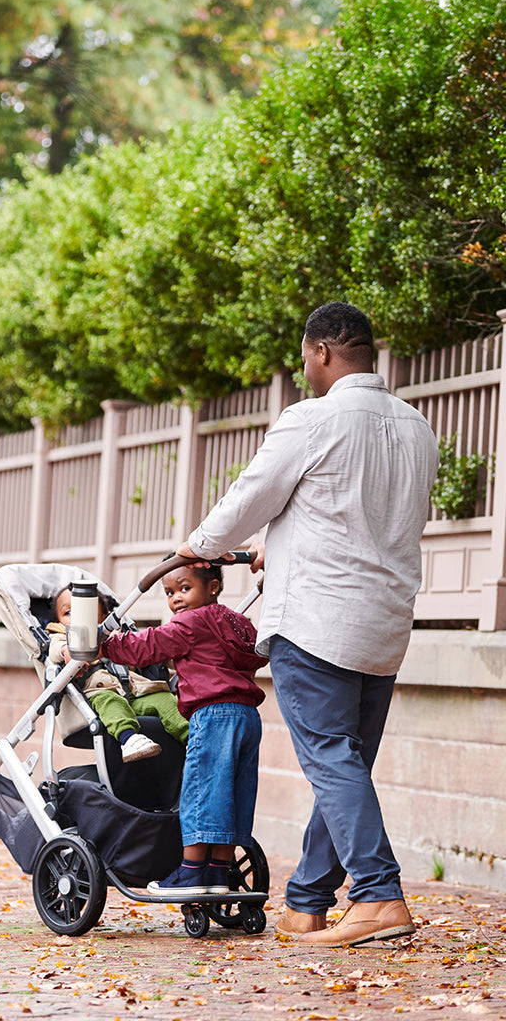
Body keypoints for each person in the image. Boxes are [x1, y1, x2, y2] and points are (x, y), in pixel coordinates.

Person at [177, 300, 438, 946]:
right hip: (382, 627)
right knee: (343, 764)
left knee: (331, 761)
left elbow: (250, 498)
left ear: (321, 351)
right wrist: (284, 542)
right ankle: (307, 903)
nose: (304, 369)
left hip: (318, 621)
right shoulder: (416, 427)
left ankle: (378, 896)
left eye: (304, 358)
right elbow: (365, 518)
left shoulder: (312, 419)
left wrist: (196, 546)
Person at [93, 561, 267, 897]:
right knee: (233, 795)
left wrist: (106, 645)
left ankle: (191, 872)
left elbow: (149, 645)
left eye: (184, 588)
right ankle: (217, 872)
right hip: (247, 717)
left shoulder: (191, 622)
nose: (176, 599)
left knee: (201, 792)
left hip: (213, 715)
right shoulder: (238, 623)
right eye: (170, 592)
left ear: (213, 586)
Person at [47, 584, 189, 762]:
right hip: (100, 692)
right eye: (68, 613)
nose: (77, 617)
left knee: (165, 700)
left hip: (136, 692)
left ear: (103, 618)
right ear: (58, 620)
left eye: (86, 610)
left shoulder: (115, 634)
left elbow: (138, 653)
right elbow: (54, 649)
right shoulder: (62, 635)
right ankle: (129, 738)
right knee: (111, 702)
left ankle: (192, 739)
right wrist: (67, 651)